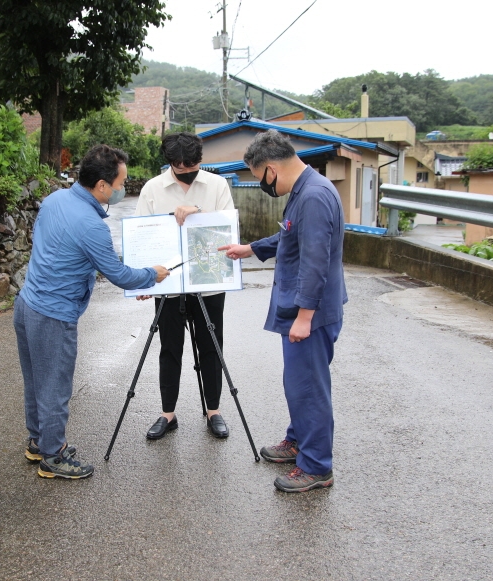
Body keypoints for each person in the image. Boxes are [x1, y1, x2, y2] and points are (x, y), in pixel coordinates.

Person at [15, 144, 169, 480]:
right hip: (54, 314)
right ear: (101, 185)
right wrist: (151, 275)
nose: (122, 189)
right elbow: (118, 274)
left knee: (36, 381)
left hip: (27, 303)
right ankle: (53, 456)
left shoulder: (55, 199)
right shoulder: (91, 224)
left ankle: (38, 441)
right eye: (120, 184)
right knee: (55, 387)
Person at [219, 130, 348, 493]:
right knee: (299, 384)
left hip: (311, 313)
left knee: (309, 388)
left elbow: (315, 261)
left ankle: (317, 467)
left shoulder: (314, 196)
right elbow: (289, 236)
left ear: (271, 169)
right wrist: (251, 249)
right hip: (305, 309)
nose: (262, 184)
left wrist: (304, 317)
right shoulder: (305, 190)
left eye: (259, 177)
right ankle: (298, 441)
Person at [135, 132, 236, 440]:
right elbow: (141, 236)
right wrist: (142, 279)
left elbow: (228, 231)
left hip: (209, 284)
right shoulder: (153, 189)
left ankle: (213, 411)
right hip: (167, 285)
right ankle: (168, 414)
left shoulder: (217, 185)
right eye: (180, 166)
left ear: (200, 160)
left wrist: (198, 213)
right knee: (169, 348)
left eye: (193, 165)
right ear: (170, 162)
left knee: (211, 346)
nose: (187, 171)